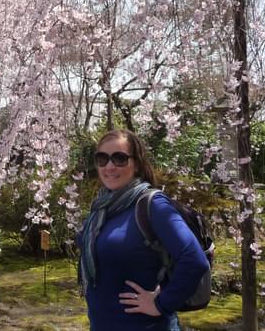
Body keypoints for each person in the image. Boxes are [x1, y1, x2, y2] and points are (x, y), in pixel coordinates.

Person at [79, 129, 210, 331]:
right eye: (102, 158)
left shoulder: (153, 204)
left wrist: (161, 303)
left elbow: (194, 259)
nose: (110, 166)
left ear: (137, 164)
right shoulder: (101, 207)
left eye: (120, 158)